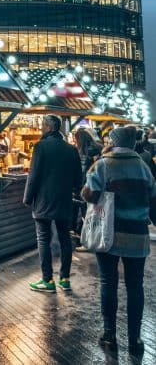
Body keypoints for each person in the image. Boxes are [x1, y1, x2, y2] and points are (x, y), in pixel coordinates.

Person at [82, 125, 156, 356]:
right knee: (135, 287)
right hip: (137, 236)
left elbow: (90, 194)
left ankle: (109, 335)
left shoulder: (103, 164)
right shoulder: (144, 167)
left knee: (108, 282)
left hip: (109, 234)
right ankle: (135, 339)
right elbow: (153, 203)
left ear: (114, 141)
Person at [24, 114, 82, 293]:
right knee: (65, 239)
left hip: (43, 201)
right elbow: (78, 178)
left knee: (43, 239)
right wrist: (72, 190)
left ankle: (47, 279)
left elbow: (33, 175)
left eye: (43, 125)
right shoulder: (71, 149)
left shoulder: (41, 147)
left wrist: (27, 197)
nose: (41, 128)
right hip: (64, 201)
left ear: (49, 127)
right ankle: (64, 279)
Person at [72, 128, 102, 243]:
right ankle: (88, 237)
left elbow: (81, 171)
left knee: (84, 212)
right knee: (89, 213)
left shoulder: (80, 152)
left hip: (83, 187)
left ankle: (85, 239)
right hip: (94, 186)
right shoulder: (98, 148)